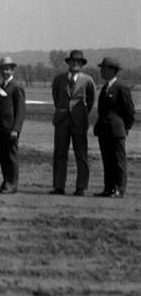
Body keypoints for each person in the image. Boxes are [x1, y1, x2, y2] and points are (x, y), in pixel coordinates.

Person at [50, 50, 97, 196]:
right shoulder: (59, 79)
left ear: (82, 64)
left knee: (81, 154)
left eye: (79, 62)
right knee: (60, 154)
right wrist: (63, 111)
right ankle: (59, 186)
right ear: (68, 63)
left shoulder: (88, 80)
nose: (75, 63)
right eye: (73, 61)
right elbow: (56, 98)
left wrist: (82, 114)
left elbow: (91, 100)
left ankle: (81, 187)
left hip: (79, 121)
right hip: (62, 120)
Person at [94, 57, 134, 198]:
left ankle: (119, 189)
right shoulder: (105, 87)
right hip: (104, 130)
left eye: (103, 68)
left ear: (111, 70)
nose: (101, 71)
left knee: (118, 161)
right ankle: (109, 188)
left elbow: (129, 111)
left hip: (116, 130)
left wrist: (125, 128)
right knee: (107, 160)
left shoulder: (121, 87)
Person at [0, 55, 26, 194]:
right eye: (3, 70)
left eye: (7, 70)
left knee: (11, 157)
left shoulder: (16, 87)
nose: (5, 72)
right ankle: (6, 183)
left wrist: (16, 129)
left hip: (11, 130)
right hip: (0, 129)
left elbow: (21, 111)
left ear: (12, 71)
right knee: (3, 157)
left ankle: (12, 184)